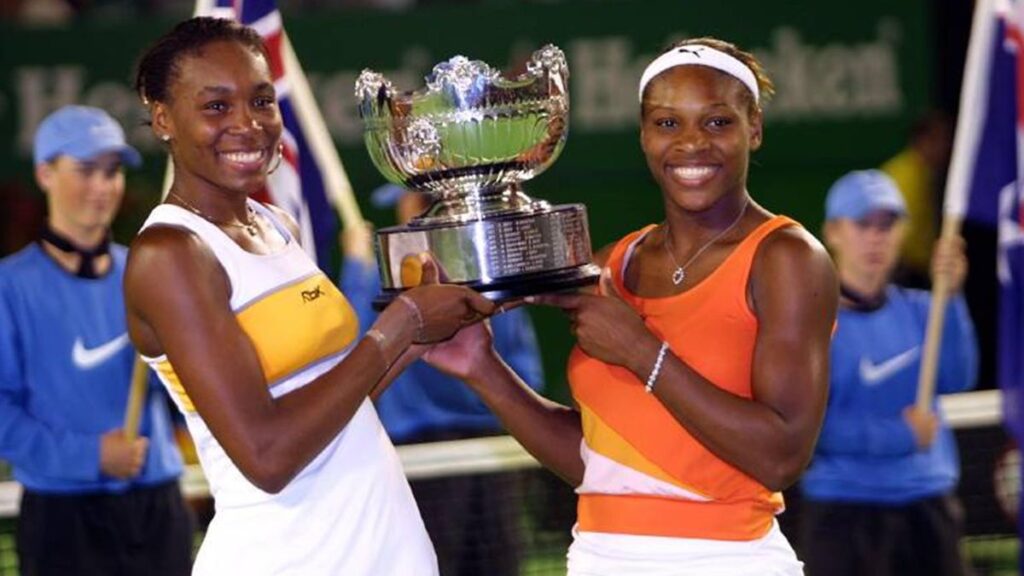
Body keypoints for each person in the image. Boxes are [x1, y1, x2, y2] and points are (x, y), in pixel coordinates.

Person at [421, 37, 838, 575]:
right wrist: (482, 370)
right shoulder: (613, 264)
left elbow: (781, 456)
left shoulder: (787, 258)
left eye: (717, 122)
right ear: (643, 135)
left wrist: (642, 352)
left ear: (753, 128)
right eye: (668, 123)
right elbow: (600, 466)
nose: (692, 144)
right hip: (599, 557)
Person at [125, 17, 494, 575]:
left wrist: (417, 338)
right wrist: (396, 326)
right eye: (216, 107)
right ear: (162, 119)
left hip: (383, 547)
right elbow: (268, 455)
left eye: (261, 99)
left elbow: (328, 403)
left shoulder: (276, 224)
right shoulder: (171, 254)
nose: (249, 125)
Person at [0, 105, 194, 576]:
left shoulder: (148, 270)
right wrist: (90, 456)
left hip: (158, 505)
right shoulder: (10, 286)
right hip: (62, 516)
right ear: (45, 173)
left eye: (111, 172)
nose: (102, 187)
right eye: (85, 170)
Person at [341, 183, 545, 576]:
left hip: (430, 455)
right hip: (493, 450)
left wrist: (356, 266)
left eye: (405, 207)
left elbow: (351, 359)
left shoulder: (381, 284)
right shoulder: (490, 279)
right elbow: (526, 372)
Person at [799, 169, 977, 576]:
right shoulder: (812, 325)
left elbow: (958, 378)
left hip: (928, 505)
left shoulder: (921, 310)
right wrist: (900, 437)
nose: (876, 237)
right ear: (833, 232)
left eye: (888, 224)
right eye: (863, 224)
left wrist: (950, 299)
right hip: (843, 513)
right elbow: (807, 433)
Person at [881, 111, 953, 287]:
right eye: (940, 139)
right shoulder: (904, 176)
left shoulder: (925, 174)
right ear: (922, 140)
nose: (947, 146)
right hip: (902, 273)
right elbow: (899, 234)